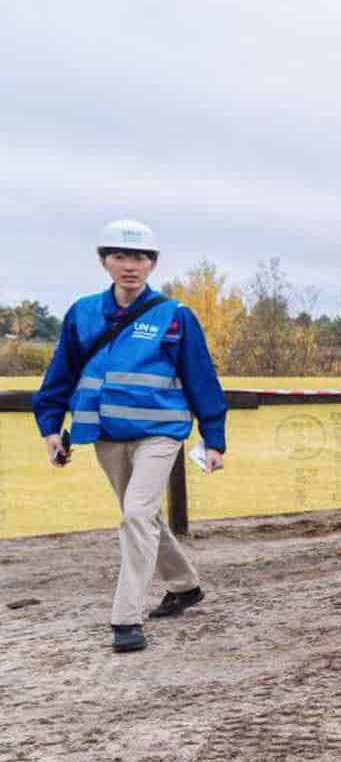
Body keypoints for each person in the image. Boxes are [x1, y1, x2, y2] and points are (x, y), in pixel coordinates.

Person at [33, 219, 228, 653]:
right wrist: (51, 429)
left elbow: (202, 379)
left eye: (140, 257)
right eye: (120, 256)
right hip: (104, 435)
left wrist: (213, 440)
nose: (130, 265)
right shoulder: (82, 313)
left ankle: (126, 619)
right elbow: (60, 376)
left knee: (136, 516)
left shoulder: (175, 316)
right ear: (104, 261)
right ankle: (185, 586)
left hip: (161, 434)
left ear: (152, 264)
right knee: (144, 517)